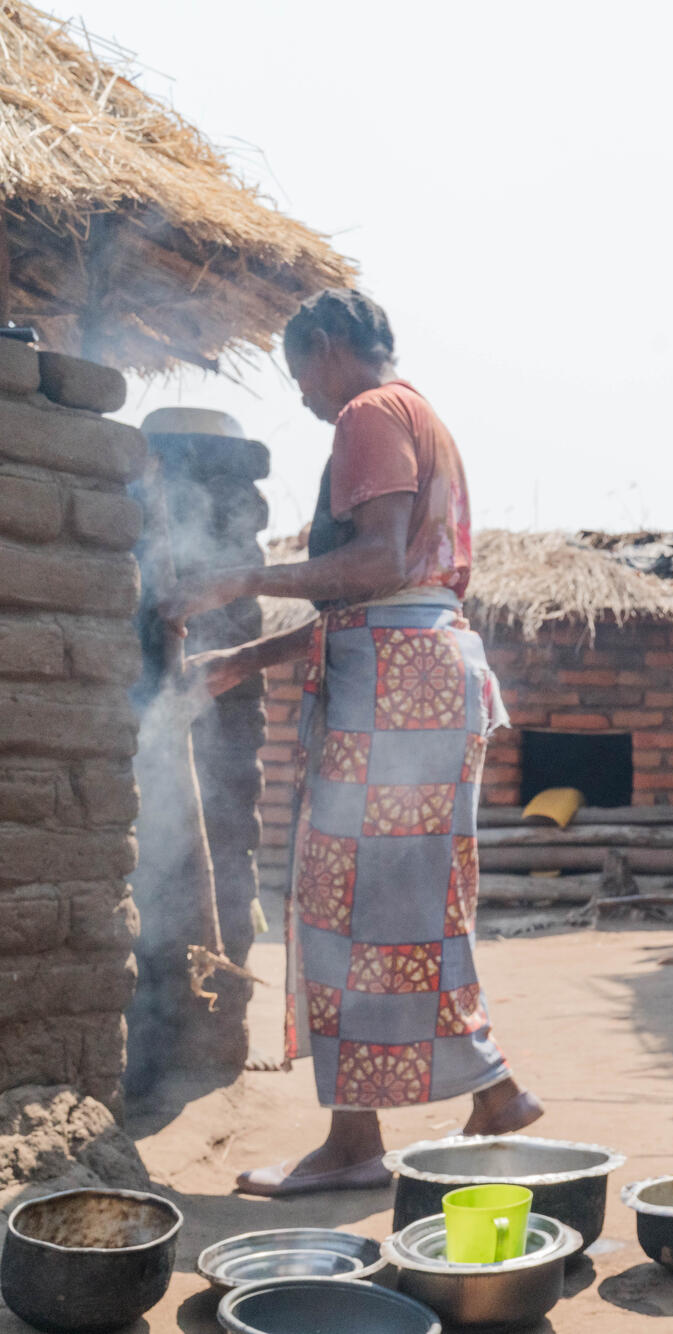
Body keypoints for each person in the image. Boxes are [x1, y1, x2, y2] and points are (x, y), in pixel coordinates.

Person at [161, 290, 543, 1198]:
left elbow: (373, 568)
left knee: (354, 905)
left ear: (328, 348)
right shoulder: (419, 418)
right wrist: (244, 658)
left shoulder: (371, 414)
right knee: (389, 906)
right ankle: (455, 1107)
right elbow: (380, 594)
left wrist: (238, 580)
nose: (302, 397)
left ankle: (400, 1123)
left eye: (299, 374)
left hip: (399, 693)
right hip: (418, 673)